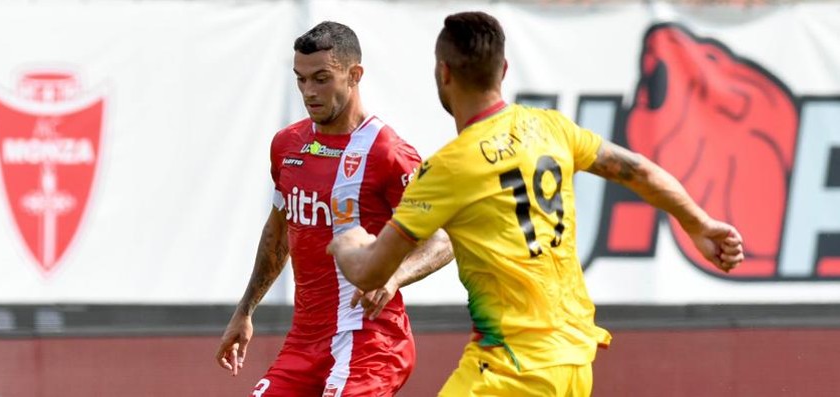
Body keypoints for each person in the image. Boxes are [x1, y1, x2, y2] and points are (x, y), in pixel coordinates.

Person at [328, 11, 745, 397]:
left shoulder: (446, 169)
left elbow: (369, 271)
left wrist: (348, 238)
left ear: (444, 73)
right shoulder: (550, 128)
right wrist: (699, 223)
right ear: (503, 70)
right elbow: (638, 171)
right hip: (573, 361)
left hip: (511, 369)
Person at [216, 21, 454, 397]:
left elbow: (442, 238)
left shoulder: (387, 152)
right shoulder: (287, 146)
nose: (309, 92)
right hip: (304, 342)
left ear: (354, 75)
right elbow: (279, 232)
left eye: (322, 79)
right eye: (301, 79)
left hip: (370, 341)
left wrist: (393, 277)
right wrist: (246, 310)